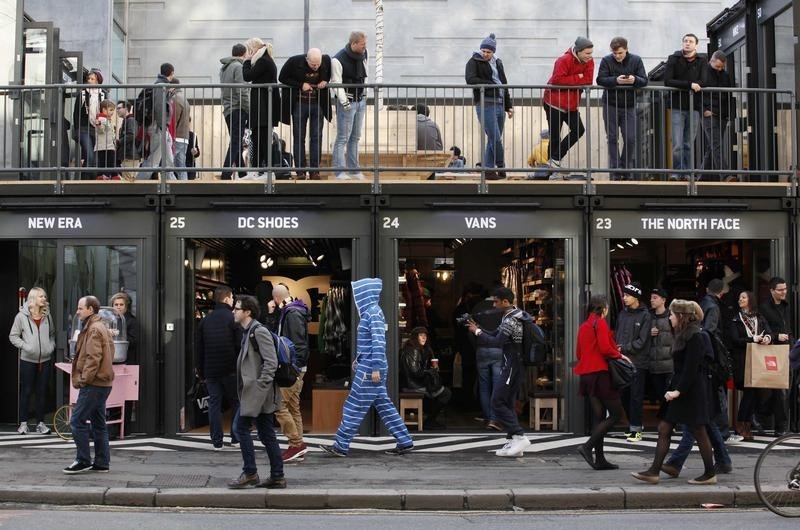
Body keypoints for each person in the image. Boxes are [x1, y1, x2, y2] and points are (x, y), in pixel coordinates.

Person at [319, 278, 414, 456]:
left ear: (365, 294)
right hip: (370, 365)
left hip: (370, 368)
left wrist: (374, 367)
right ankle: (405, 441)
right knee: (384, 406)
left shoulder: (372, 313)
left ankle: (340, 446)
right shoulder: (373, 312)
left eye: (358, 293)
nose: (356, 297)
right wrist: (360, 359)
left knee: (353, 406)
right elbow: (373, 343)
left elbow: (379, 342)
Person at [631, 300, 716, 485]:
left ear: (681, 316)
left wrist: (678, 391)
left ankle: (710, 473)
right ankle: (654, 471)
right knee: (664, 427)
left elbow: (691, 368)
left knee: (699, 431)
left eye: (672, 314)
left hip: (691, 392)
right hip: (681, 388)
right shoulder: (684, 334)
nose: (669, 317)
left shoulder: (696, 336)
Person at [228, 295, 286, 489]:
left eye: (236, 309)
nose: (233, 312)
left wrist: (260, 387)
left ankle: (250, 472)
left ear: (247, 312)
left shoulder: (258, 331)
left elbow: (271, 362)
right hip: (257, 393)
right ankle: (277, 476)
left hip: (258, 393)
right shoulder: (247, 332)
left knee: (240, 428)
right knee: (267, 434)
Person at [467, 287, 532, 457]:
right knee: (508, 402)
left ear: (505, 302)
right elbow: (495, 334)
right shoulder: (510, 316)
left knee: (497, 401)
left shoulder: (512, 320)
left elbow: (497, 341)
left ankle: (519, 436)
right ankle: (512, 442)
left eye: (496, 301)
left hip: (512, 364)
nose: (494, 304)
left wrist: (477, 332)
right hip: (511, 363)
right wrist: (478, 329)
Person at [575, 294, 628, 470]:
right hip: (601, 374)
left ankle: (600, 459)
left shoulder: (583, 326)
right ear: (603, 308)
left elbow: (579, 354)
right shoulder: (601, 323)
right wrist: (620, 355)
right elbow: (606, 349)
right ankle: (587, 446)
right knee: (616, 415)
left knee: (599, 417)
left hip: (587, 375)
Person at [64, 295, 115, 474]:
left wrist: (84, 379)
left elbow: (93, 359)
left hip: (94, 383)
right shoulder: (99, 326)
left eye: (80, 308)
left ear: (90, 310)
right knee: (98, 423)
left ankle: (83, 460)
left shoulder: (93, 329)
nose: (77, 312)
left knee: (77, 420)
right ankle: (102, 462)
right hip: (102, 383)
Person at [267, 284, 311, 462]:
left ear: (276, 299)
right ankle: (296, 448)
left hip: (292, 368)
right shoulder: (291, 311)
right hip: (296, 367)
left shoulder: (291, 314)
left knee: (279, 406)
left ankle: (296, 443)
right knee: (293, 407)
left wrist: (294, 368)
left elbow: (296, 343)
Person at [596, 37, 647, 181]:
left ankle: (625, 167)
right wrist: (616, 81)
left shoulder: (636, 60)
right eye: (614, 53)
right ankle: (616, 169)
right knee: (612, 137)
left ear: (626, 49)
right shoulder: (606, 60)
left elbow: (644, 80)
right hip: (610, 104)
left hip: (629, 105)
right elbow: (600, 79)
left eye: (620, 53)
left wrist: (634, 80)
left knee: (630, 138)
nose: (617, 56)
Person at [195, 286, 241, 450]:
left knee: (214, 404)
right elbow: (238, 345)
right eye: (232, 298)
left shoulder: (206, 320)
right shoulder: (233, 318)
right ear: (227, 299)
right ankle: (235, 438)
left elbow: (200, 348)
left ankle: (216, 441)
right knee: (236, 402)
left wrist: (200, 370)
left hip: (211, 369)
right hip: (231, 369)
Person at [542, 37, 594, 177]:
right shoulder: (563, 60)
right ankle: (550, 173)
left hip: (571, 105)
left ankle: (555, 158)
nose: (590, 56)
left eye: (591, 53)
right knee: (554, 137)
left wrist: (572, 80)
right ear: (578, 51)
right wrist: (579, 77)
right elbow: (558, 80)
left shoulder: (590, 61)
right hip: (554, 102)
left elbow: (588, 80)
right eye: (587, 53)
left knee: (579, 130)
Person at [279, 47, 332, 180]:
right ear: (306, 59)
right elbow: (282, 77)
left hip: (318, 105)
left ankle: (315, 170)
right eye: (312, 64)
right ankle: (300, 170)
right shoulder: (294, 61)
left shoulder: (326, 60)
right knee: (298, 138)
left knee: (316, 137)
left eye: (318, 64)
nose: (315, 67)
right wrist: (300, 84)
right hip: (300, 105)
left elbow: (328, 73)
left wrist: (325, 80)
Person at [465, 33, 513, 179]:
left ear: (493, 52)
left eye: (488, 51)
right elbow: (471, 79)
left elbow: (504, 84)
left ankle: (488, 170)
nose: (485, 54)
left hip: (500, 103)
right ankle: (501, 165)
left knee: (493, 140)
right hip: (485, 103)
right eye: (483, 51)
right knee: (495, 138)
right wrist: (491, 84)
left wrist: (508, 106)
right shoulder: (474, 61)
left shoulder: (498, 63)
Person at [726, 290, 772, 441]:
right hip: (742, 362)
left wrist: (766, 338)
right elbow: (734, 340)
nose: (740, 300)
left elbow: (769, 332)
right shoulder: (735, 319)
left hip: (758, 361)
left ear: (750, 300)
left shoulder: (759, 317)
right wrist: (752, 339)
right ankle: (742, 425)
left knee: (754, 394)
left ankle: (744, 425)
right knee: (750, 392)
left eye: (743, 297)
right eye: (739, 298)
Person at [9, 287, 55, 435]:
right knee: (27, 392)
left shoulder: (47, 315)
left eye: (45, 296)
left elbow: (52, 333)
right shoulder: (21, 317)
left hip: (45, 360)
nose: (44, 299)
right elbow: (13, 336)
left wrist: (50, 346)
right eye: (41, 296)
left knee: (42, 392)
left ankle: (40, 423)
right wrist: (26, 347)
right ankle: (23, 424)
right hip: (28, 360)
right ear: (33, 298)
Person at [664, 34, 708, 180]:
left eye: (690, 41)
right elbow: (668, 81)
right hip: (677, 106)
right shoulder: (674, 58)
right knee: (677, 143)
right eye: (685, 41)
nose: (687, 44)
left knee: (688, 143)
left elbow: (704, 81)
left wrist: (688, 83)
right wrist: (689, 84)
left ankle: (688, 173)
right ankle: (677, 172)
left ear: (696, 45)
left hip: (694, 106)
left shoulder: (702, 60)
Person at [614, 282, 652, 442]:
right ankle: (634, 424)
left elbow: (642, 341)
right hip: (622, 361)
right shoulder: (622, 314)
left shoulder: (645, 315)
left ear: (636, 297)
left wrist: (623, 348)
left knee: (636, 396)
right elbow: (616, 333)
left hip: (638, 362)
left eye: (627, 295)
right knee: (623, 395)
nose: (624, 298)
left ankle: (636, 430)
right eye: (624, 295)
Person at [243, 39, 283, 177]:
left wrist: (247, 61)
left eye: (249, 50)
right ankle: (258, 170)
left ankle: (265, 170)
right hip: (263, 106)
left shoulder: (263, 61)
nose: (248, 53)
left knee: (262, 138)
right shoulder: (266, 60)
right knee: (258, 138)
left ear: (253, 49)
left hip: (263, 106)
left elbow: (247, 76)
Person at [331, 31, 369, 180]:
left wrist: (365, 95)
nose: (365, 47)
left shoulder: (364, 54)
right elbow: (336, 82)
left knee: (355, 137)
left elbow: (366, 73)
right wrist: (344, 101)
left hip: (360, 100)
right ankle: (339, 171)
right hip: (347, 102)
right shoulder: (338, 59)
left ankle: (354, 170)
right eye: (362, 44)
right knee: (343, 137)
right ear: (353, 43)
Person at [758, 277, 791, 437]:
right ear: (772, 291)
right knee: (780, 390)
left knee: (783, 389)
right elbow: (763, 329)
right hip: (772, 352)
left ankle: (761, 415)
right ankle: (781, 427)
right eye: (780, 289)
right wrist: (777, 336)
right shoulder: (764, 307)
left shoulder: (786, 306)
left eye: (785, 289)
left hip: (787, 352)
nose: (784, 292)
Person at [400, 326, 451, 429]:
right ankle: (430, 421)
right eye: (421, 335)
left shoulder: (419, 348)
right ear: (415, 337)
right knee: (446, 393)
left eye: (425, 335)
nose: (424, 338)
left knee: (438, 392)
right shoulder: (413, 350)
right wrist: (431, 371)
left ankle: (429, 419)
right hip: (412, 385)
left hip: (414, 383)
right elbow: (415, 372)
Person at [700, 50, 734, 181]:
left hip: (722, 114)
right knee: (716, 144)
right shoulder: (702, 73)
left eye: (722, 67)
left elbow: (729, 95)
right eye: (717, 66)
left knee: (712, 146)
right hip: (708, 114)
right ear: (711, 61)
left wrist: (729, 114)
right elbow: (697, 94)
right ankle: (725, 175)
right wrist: (703, 110)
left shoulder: (725, 75)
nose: (719, 69)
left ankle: (701, 177)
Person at [140, 63, 175, 180]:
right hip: (158, 126)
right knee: (155, 158)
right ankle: (139, 181)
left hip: (160, 126)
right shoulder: (161, 86)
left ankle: (172, 182)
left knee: (168, 158)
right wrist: (162, 125)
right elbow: (159, 106)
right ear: (172, 73)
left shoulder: (160, 85)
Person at [220, 43, 250, 180]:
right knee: (236, 141)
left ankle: (242, 172)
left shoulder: (224, 68)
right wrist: (249, 109)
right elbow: (242, 90)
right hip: (237, 108)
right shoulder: (239, 66)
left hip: (227, 108)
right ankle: (226, 172)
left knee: (236, 140)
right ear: (243, 54)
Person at [72, 68, 105, 178]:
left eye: (93, 79)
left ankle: (92, 180)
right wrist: (77, 130)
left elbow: (105, 114)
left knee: (95, 158)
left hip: (97, 129)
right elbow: (76, 113)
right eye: (88, 79)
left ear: (98, 81)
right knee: (90, 155)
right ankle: (86, 181)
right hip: (83, 129)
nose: (90, 81)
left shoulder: (102, 95)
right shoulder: (82, 94)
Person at [648, 288, 673, 409]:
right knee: (660, 397)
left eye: (655, 298)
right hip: (653, 365)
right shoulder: (648, 317)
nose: (651, 300)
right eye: (651, 297)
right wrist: (648, 333)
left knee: (670, 397)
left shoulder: (672, 316)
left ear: (663, 300)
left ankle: (671, 424)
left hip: (670, 365)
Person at [170, 79, 190, 181]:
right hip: (184, 137)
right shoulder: (184, 99)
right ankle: (184, 185)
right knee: (181, 165)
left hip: (176, 136)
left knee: (169, 163)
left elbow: (174, 120)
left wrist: (170, 135)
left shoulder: (175, 99)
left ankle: (171, 184)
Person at [110, 292, 138, 364]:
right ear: (112, 306)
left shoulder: (132, 321)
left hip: (126, 360)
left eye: (121, 305)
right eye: (116, 305)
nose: (118, 307)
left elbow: (133, 341)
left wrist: (118, 335)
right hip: (112, 358)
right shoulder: (112, 320)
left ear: (126, 306)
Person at [94, 99, 119, 180]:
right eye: (111, 110)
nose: (112, 112)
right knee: (107, 161)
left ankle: (111, 174)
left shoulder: (107, 119)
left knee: (107, 161)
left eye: (113, 110)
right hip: (104, 146)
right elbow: (101, 130)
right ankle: (106, 175)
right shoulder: (102, 119)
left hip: (107, 145)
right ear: (104, 109)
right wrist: (99, 125)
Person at [115, 101, 140, 182]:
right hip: (128, 155)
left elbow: (131, 135)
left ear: (126, 109)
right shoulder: (127, 120)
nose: (117, 110)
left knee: (128, 180)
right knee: (128, 179)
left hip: (130, 155)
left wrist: (119, 141)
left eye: (119, 108)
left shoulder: (130, 120)